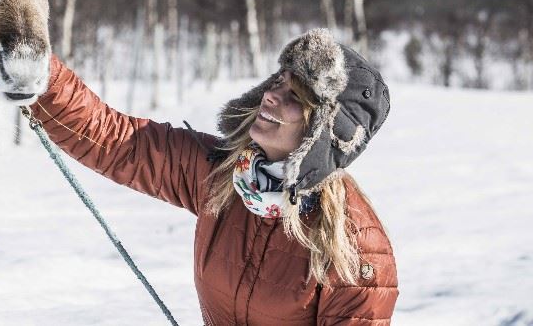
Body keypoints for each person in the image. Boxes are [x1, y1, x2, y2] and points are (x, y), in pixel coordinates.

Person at [29, 28, 397, 325]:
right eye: (278, 81)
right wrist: (33, 64)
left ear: (324, 130)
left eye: (294, 95)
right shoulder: (225, 176)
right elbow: (116, 141)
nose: (270, 95)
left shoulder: (355, 248)